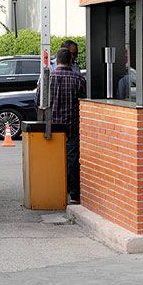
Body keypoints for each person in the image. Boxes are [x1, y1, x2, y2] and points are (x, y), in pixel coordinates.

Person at [48, 47, 86, 204]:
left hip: (52, 127)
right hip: (72, 125)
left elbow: (39, 101)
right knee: (72, 159)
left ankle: (53, 190)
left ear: (56, 61)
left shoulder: (48, 78)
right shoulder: (78, 80)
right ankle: (74, 193)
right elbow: (84, 103)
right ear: (71, 60)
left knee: (53, 158)